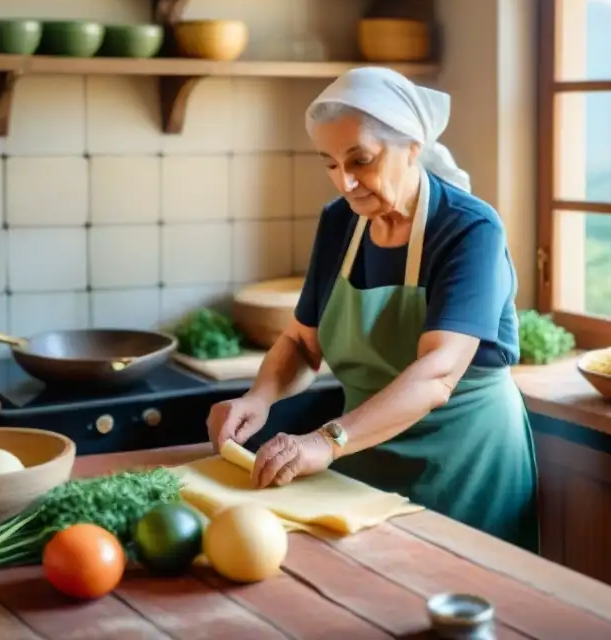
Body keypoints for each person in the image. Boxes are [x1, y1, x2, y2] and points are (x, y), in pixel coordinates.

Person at [206, 66, 539, 550]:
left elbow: (437, 374)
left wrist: (326, 440)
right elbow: (303, 342)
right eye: (330, 163)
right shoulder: (341, 221)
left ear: (411, 148)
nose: (344, 182)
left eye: (360, 160)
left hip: (465, 464)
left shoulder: (470, 229)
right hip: (363, 455)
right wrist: (257, 398)